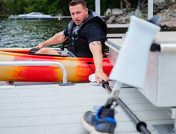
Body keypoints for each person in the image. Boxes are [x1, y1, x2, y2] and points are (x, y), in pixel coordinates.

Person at [34, 0, 108, 84]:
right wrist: (43, 44)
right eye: (73, 14)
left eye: (78, 12)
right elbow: (60, 36)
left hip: (85, 62)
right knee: (43, 50)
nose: (75, 16)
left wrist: (99, 70)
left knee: (44, 52)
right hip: (72, 56)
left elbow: (96, 50)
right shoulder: (75, 24)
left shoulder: (92, 28)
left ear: (86, 11)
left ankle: (32, 70)